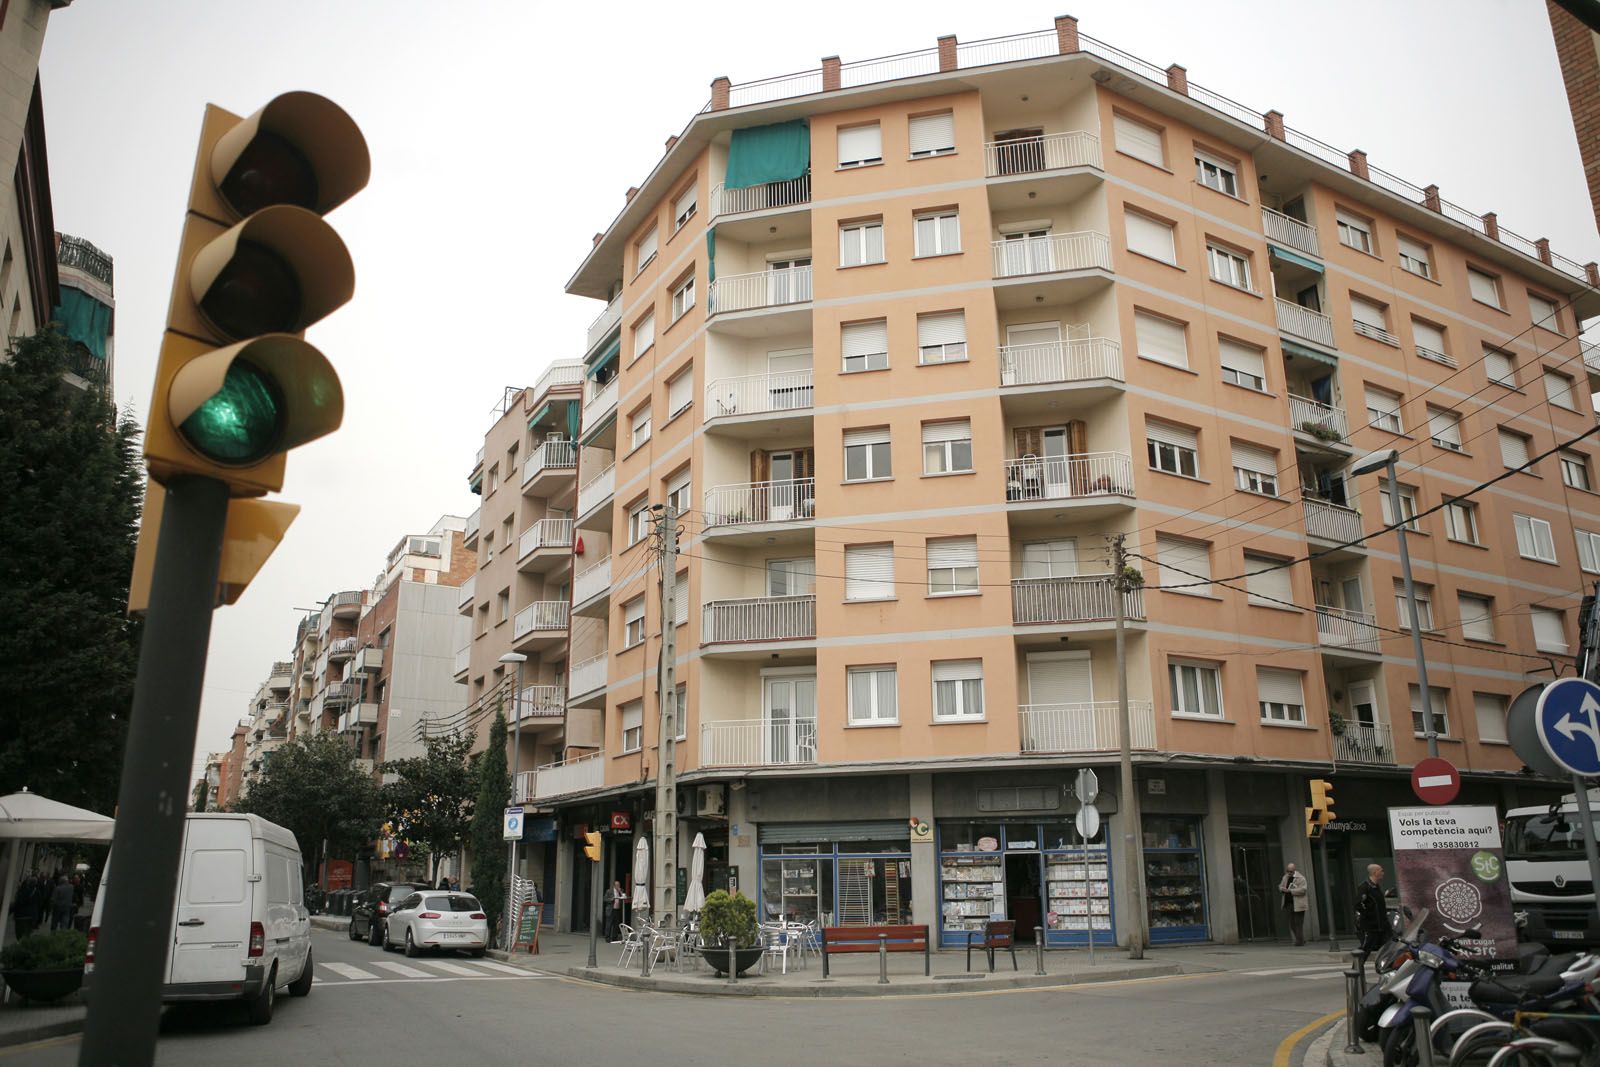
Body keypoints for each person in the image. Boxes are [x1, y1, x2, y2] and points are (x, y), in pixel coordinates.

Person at [1354, 863, 1389, 955]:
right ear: (1375, 872)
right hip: (1371, 926)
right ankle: (1357, 968)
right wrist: (1368, 915)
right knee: (1366, 949)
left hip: (1382, 925)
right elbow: (1358, 904)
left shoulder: (1376, 887)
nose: (1383, 873)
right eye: (1381, 870)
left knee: (1390, 945)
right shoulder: (1365, 887)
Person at [1278, 863, 1308, 946]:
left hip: (1298, 904)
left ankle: (1299, 941)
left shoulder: (1301, 878)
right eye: (1287, 871)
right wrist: (1281, 889)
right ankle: (1300, 939)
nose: (1289, 873)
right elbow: (1280, 886)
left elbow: (1303, 890)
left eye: (1290, 871)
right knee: (1292, 923)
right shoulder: (1285, 877)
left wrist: (1291, 891)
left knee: (1298, 923)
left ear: (1294, 870)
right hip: (1289, 904)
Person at [10, 872, 43, 939]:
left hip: (21, 916)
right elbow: (40, 905)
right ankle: (24, 944)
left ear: (29, 882)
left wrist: (11, 911)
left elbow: (18, 902)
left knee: (19, 933)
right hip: (32, 916)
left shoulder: (24, 891)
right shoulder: (38, 892)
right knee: (27, 933)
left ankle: (20, 943)